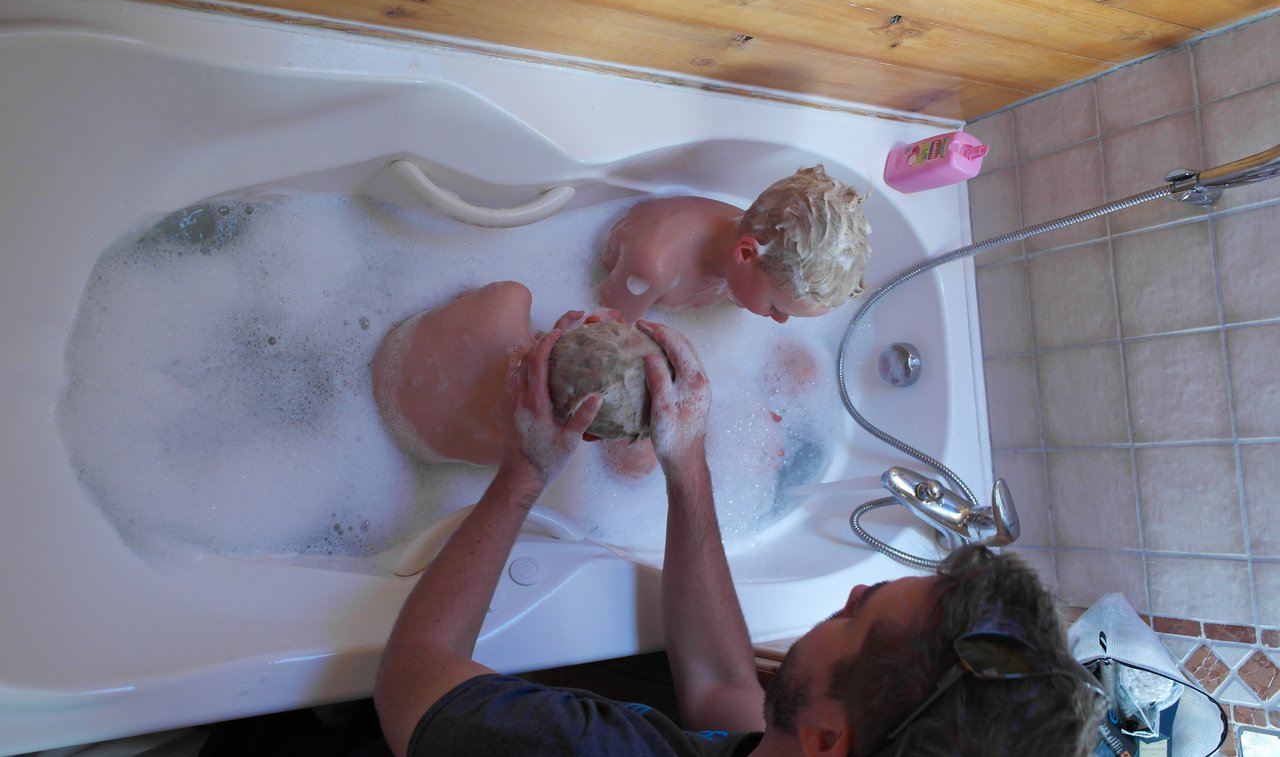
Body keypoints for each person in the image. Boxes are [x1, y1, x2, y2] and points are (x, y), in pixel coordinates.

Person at [371, 321, 1104, 756]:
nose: (852, 589)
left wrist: (526, 471)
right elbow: (725, 687)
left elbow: (411, 681)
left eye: (859, 613)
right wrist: (685, 460)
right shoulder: (811, 740)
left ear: (827, 739)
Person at [370, 280, 664, 475]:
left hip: (381, 358)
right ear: (587, 434)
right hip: (407, 442)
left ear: (593, 321)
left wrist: (549, 339)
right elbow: (635, 469)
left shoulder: (508, 301)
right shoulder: (523, 448)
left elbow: (460, 302)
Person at [598, 165, 872, 324]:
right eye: (776, 309)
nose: (780, 321)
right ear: (745, 253)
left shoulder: (769, 238)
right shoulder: (653, 267)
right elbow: (606, 330)